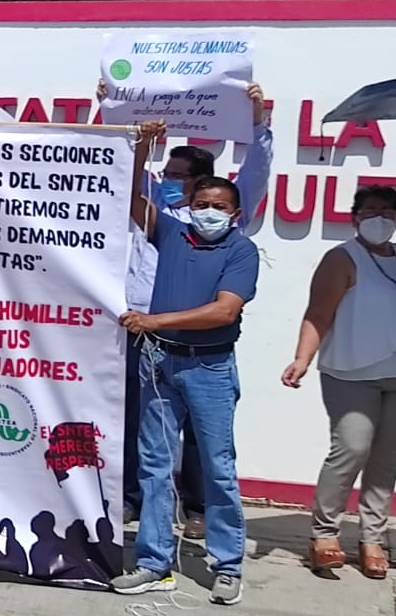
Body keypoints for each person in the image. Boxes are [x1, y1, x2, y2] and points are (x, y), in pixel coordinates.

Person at [107, 80, 273, 535]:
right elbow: (125, 180)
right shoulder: (161, 216)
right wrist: (117, 107)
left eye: (178, 175)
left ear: (205, 185)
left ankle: (200, 510)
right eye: (168, 174)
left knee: (206, 440)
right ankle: (132, 501)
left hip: (202, 348)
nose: (169, 180)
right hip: (142, 332)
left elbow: (255, 169)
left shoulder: (224, 232)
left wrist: (257, 119)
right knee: (141, 429)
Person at [282, 185, 396, 579]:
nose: (380, 218)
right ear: (355, 218)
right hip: (350, 372)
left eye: (387, 211)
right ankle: (324, 533)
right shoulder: (342, 258)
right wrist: (301, 358)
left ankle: (372, 538)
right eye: (370, 211)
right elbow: (318, 314)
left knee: (385, 461)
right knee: (351, 447)